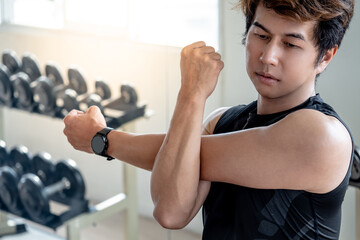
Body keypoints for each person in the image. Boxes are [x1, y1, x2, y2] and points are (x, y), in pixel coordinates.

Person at [63, 0, 355, 239]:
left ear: (325, 57)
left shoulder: (320, 135)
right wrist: (191, 92)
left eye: (290, 44)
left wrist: (101, 138)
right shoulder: (222, 122)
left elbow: (181, 156)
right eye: (261, 35)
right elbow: (171, 211)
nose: (268, 56)